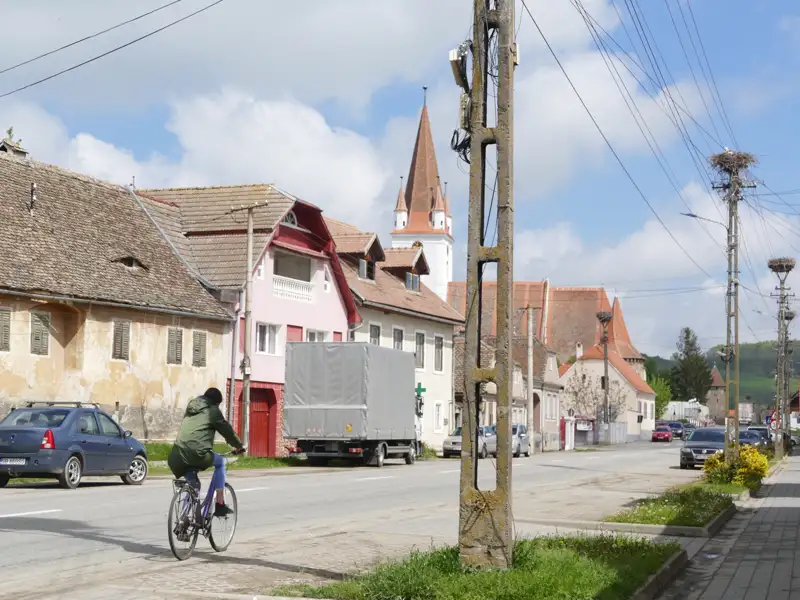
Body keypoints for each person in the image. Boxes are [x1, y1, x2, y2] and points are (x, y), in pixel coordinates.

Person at [168, 387, 245, 517]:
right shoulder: (212, 411)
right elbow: (227, 430)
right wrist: (238, 446)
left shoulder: (191, 407)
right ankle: (220, 504)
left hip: (176, 454)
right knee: (220, 462)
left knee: (194, 486)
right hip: (196, 454)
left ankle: (183, 519)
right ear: (216, 402)